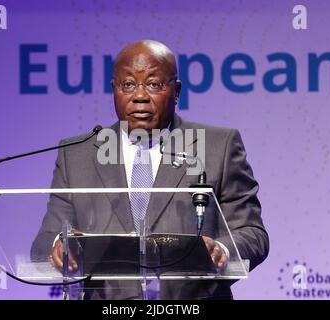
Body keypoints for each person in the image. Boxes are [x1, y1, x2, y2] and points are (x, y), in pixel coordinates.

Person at [31, 40, 269, 299]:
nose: (140, 96)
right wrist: (60, 247)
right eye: (128, 84)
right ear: (114, 90)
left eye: (154, 84)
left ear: (176, 91)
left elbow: (253, 233)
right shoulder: (77, 154)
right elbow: (45, 241)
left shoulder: (216, 147)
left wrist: (223, 250)